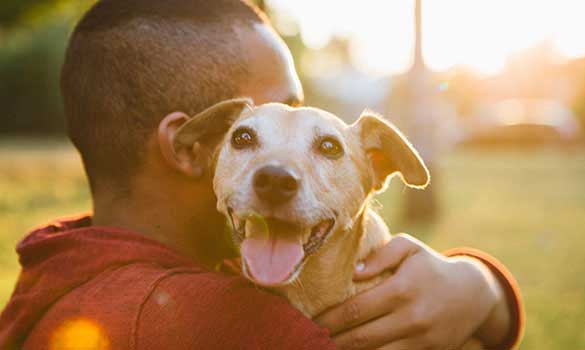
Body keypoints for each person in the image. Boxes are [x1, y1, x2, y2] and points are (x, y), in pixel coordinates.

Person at [0, 1, 524, 349]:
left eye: (319, 143)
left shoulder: (64, 263)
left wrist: (479, 283)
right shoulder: (240, 326)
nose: (281, 169)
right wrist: (482, 294)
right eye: (251, 133)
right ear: (193, 146)